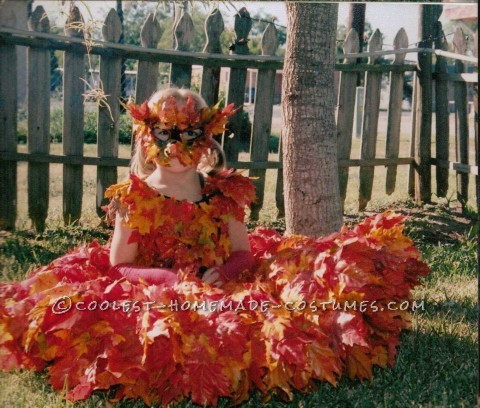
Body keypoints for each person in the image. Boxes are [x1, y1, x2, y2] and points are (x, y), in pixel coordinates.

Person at [0, 88, 430, 407]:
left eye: (190, 133)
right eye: (166, 133)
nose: (178, 146)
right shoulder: (136, 197)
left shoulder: (223, 194)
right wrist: (170, 279)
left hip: (220, 281)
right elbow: (119, 265)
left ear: (207, 136)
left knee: (295, 306)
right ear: (146, 137)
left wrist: (223, 273)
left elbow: (244, 254)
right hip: (155, 288)